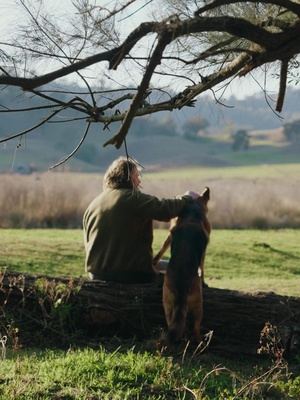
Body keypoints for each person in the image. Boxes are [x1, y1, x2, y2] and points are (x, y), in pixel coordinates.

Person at [83, 157, 200, 284]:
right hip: (129, 273)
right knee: (188, 270)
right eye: (136, 176)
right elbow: (165, 209)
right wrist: (187, 197)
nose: (138, 182)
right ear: (126, 177)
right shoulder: (132, 198)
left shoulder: (94, 204)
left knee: (165, 266)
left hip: (96, 274)